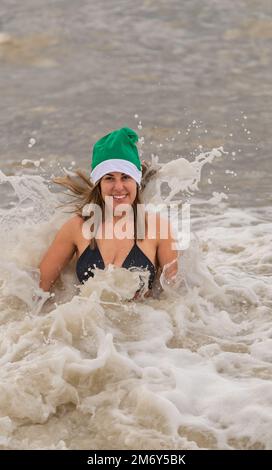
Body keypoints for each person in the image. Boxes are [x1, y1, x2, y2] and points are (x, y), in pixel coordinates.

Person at [39, 127, 178, 296]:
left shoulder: (158, 228)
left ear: (136, 181)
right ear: (99, 184)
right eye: (109, 178)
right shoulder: (76, 227)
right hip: (89, 322)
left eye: (125, 177)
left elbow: (176, 302)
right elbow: (37, 292)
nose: (118, 187)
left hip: (143, 321)